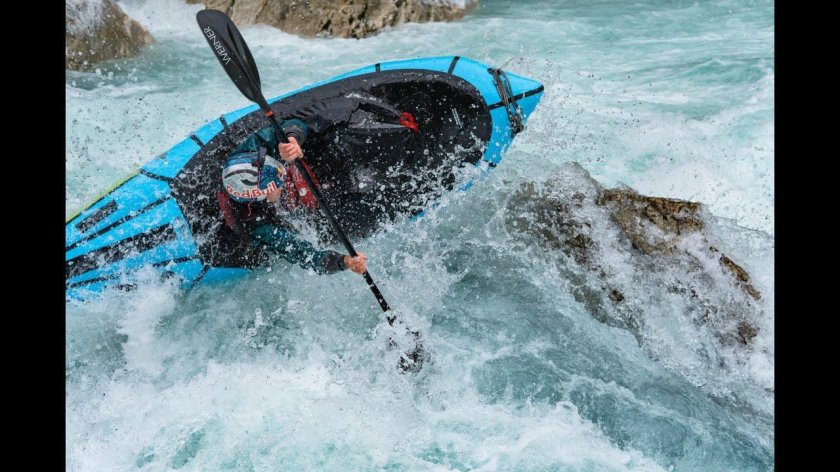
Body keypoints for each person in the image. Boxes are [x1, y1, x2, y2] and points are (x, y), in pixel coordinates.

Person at [217, 118, 367, 275]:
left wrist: (292, 139)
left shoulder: (253, 152)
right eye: (278, 184)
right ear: (261, 196)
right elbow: (307, 256)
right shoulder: (258, 227)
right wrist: (343, 262)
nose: (283, 181)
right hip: (263, 225)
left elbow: (291, 124)